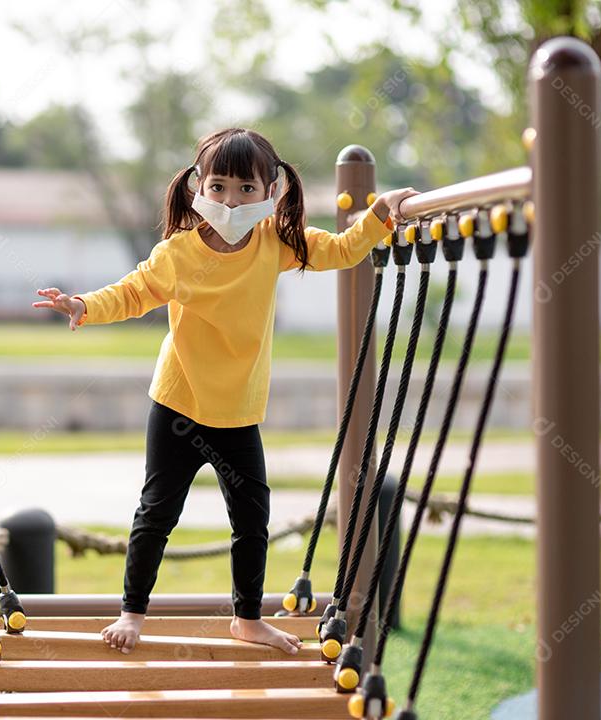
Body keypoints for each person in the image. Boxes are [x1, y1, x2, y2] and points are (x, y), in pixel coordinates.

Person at [32, 128, 418, 654]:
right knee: (157, 512)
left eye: (245, 189)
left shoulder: (276, 244)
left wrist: (383, 211)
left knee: (252, 517)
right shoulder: (178, 254)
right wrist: (83, 305)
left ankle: (247, 618)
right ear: (198, 187)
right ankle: (131, 613)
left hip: (237, 412)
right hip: (179, 404)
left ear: (272, 191)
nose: (230, 200)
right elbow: (133, 291)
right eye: (218, 187)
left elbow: (346, 250)